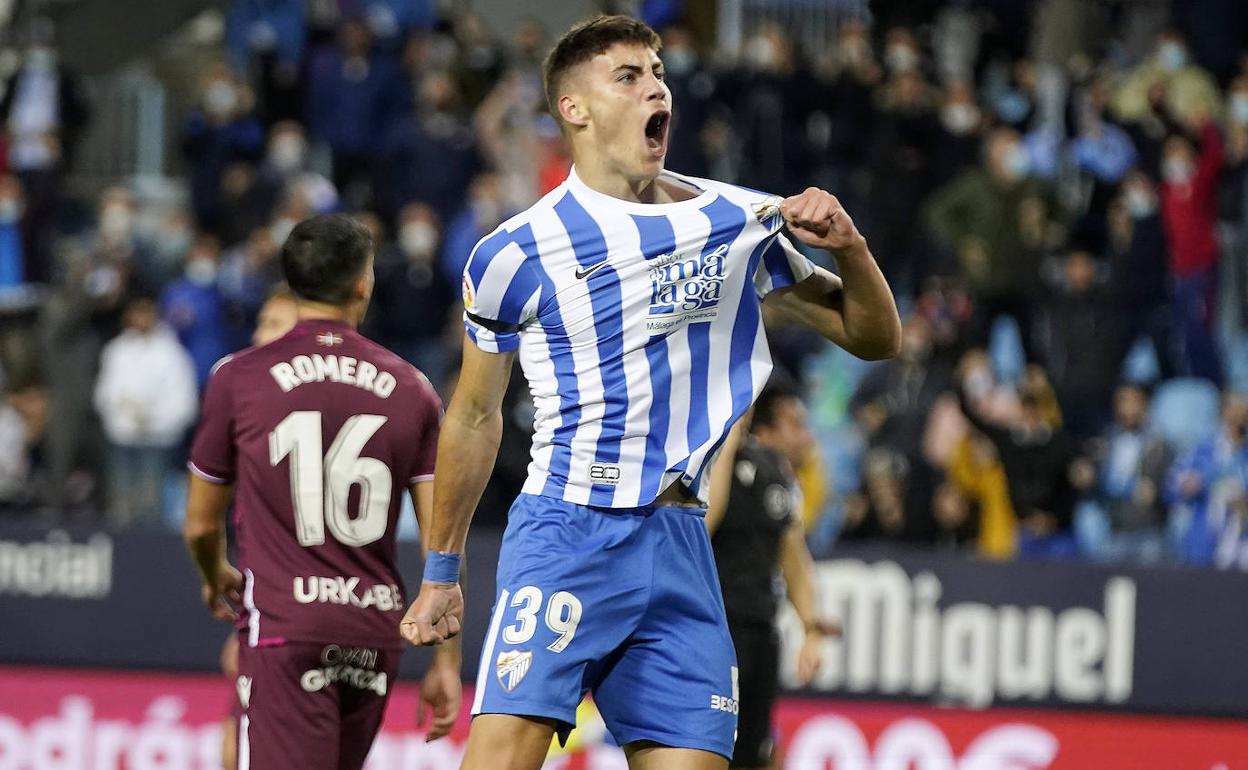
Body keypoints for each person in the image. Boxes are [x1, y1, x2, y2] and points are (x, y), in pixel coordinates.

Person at [400, 15, 899, 770]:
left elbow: (872, 338)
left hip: (680, 543)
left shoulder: (737, 221)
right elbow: (473, 416)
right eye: (628, 76)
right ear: (575, 108)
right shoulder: (516, 252)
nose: (655, 86)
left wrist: (853, 249)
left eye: (658, 71)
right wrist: (442, 573)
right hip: (568, 534)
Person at [182, 214, 461, 770]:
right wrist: (447, 664)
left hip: (287, 628)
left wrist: (215, 577)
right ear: (363, 283)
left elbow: (199, 524)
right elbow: (442, 543)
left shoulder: (239, 378)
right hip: (374, 632)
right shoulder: (414, 389)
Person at [705, 383, 834, 770]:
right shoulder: (706, 459)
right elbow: (706, 522)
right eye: (794, 422)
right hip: (716, 629)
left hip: (762, 627)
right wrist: (727, 439)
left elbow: (792, 550)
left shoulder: (776, 470)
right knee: (712, 744)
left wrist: (810, 626)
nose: (806, 434)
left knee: (753, 750)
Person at [94, 295, 199, 527]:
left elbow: (184, 401)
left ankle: (148, 556)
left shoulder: (172, 354)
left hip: (157, 441)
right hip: (121, 438)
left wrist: (153, 419)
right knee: (120, 503)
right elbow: (105, 392)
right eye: (136, 313)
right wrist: (121, 413)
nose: (141, 318)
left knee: (150, 505)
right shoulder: (116, 350)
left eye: (146, 312)